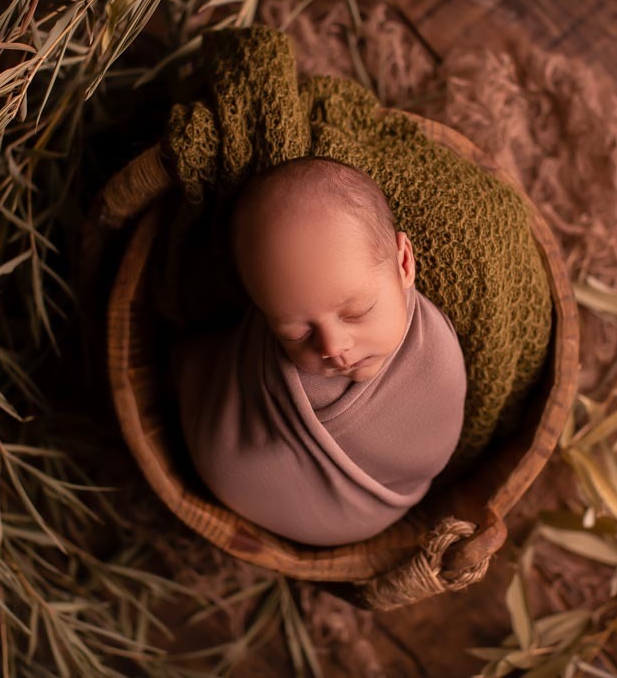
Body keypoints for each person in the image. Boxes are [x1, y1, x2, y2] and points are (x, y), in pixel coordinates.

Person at [170, 156, 467, 546]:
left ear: (404, 263)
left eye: (357, 312)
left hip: (359, 514)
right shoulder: (270, 344)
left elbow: (434, 447)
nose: (332, 347)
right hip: (237, 452)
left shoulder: (435, 354)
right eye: (296, 333)